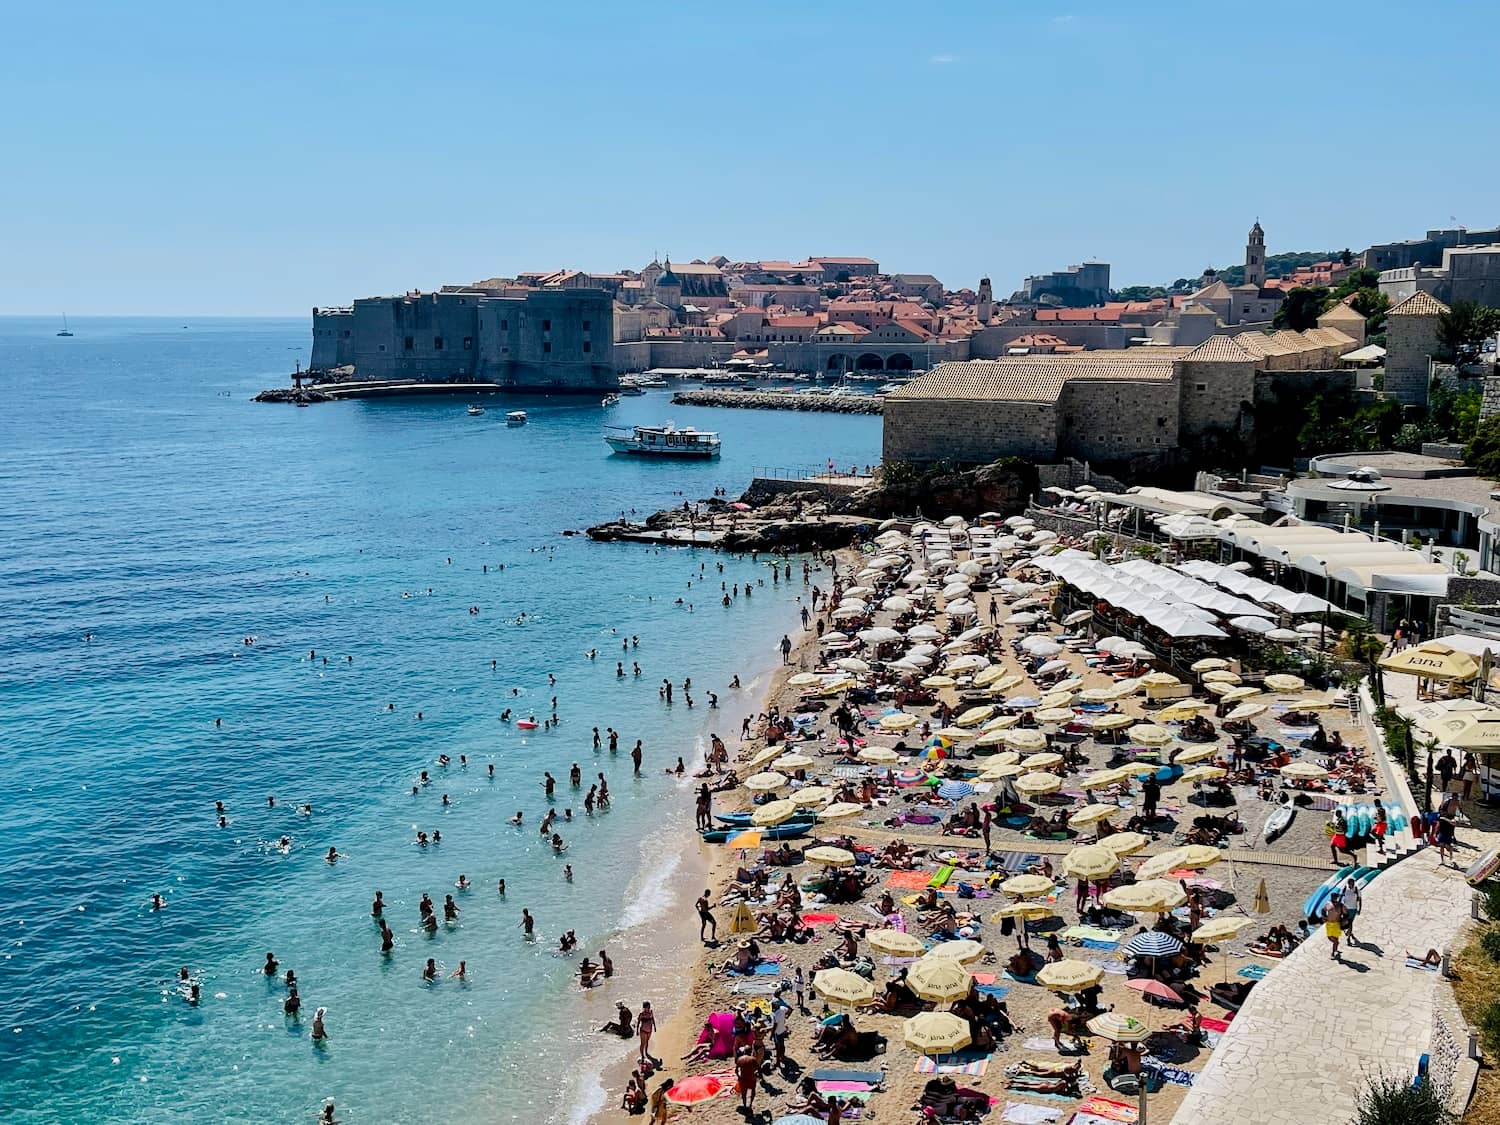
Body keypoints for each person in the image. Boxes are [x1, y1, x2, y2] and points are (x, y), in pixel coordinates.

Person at [1339, 876, 1363, 942]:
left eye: (1353, 884)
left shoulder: (1356, 890)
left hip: (1353, 909)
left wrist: (1359, 909)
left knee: (1350, 923)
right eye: (1350, 884)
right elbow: (1340, 897)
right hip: (1345, 909)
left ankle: (1348, 938)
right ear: (1348, 884)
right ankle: (1349, 932)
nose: (1352, 885)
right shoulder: (1345, 889)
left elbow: (1360, 900)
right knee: (1344, 923)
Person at [735, 1046, 759, 1111]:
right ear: (750, 1052)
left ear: (744, 1052)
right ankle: (750, 1104)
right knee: (753, 1091)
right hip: (751, 1077)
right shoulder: (753, 1059)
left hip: (743, 1078)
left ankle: (745, 1105)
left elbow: (736, 1071)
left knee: (744, 1093)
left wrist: (739, 1076)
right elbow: (757, 1069)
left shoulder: (740, 1059)